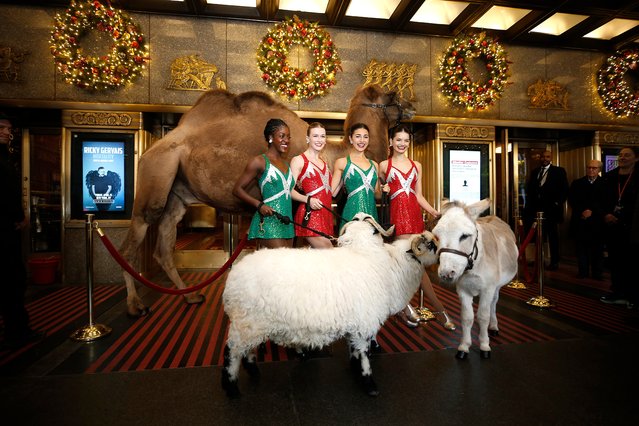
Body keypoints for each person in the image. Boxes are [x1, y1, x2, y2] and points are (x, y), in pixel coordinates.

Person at [379, 125, 455, 331]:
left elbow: (418, 195)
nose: (402, 144)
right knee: (413, 265)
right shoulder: (384, 166)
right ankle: (435, 309)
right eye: (399, 140)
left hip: (414, 218)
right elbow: (377, 192)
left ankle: (406, 306)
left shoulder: (417, 165)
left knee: (415, 265)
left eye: (406, 141)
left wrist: (434, 212)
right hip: (398, 217)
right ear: (391, 142)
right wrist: (383, 189)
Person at [0, 112, 44, 349]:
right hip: (4, 230)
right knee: (11, 281)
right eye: (3, 128)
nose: (8, 132)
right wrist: (17, 217)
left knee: (13, 281)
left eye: (9, 129)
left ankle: (16, 328)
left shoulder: (6, 158)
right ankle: (16, 331)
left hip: (8, 229)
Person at [232, 118, 295, 249]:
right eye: (282, 136)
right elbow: (237, 189)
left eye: (288, 137)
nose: (287, 140)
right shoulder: (259, 161)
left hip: (287, 222)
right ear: (270, 137)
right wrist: (259, 205)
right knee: (280, 263)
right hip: (269, 220)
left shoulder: (286, 165)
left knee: (287, 266)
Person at [598, 147, 639, 309]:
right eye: (621, 155)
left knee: (633, 263)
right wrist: (606, 214)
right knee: (615, 262)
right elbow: (600, 200)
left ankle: (633, 295)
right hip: (612, 226)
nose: (623, 158)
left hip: (633, 227)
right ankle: (617, 292)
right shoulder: (609, 177)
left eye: (627, 155)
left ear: (636, 159)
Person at [331, 123, 382, 232]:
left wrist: (385, 189)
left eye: (365, 137)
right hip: (352, 214)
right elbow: (332, 192)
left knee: (372, 246)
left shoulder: (375, 165)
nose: (362, 140)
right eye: (358, 136)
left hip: (371, 214)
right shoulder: (342, 162)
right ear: (350, 139)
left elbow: (377, 194)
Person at [290, 122, 334, 248]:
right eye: (315, 136)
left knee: (320, 263)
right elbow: (289, 191)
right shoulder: (298, 160)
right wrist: (308, 199)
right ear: (308, 139)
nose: (319, 140)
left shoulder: (325, 162)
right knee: (330, 253)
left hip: (326, 216)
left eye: (322, 136)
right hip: (310, 216)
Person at [524, 150, 569, 270]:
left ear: (551, 158)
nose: (545, 158)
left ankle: (554, 261)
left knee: (552, 236)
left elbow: (564, 190)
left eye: (547, 156)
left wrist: (557, 203)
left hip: (551, 211)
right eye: (543, 156)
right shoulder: (535, 172)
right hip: (536, 211)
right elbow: (530, 190)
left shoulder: (559, 171)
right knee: (538, 237)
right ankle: (538, 259)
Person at [567, 160, 604, 279]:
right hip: (580, 220)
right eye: (589, 167)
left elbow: (606, 201)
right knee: (581, 248)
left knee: (597, 249)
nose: (591, 170)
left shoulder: (605, 183)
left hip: (597, 221)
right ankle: (583, 272)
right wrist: (583, 211)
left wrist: (592, 211)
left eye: (594, 168)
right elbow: (572, 200)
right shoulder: (577, 183)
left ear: (599, 170)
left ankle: (597, 273)